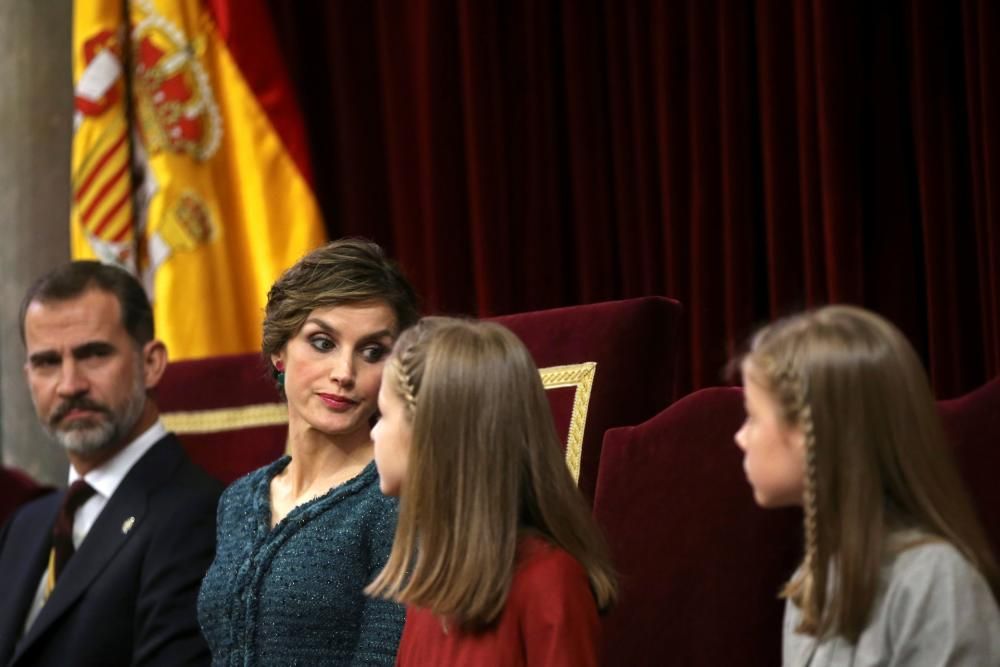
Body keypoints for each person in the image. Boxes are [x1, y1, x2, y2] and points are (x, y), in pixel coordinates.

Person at [734, 304, 1000, 665]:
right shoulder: (811, 582)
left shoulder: (935, 582)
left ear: (812, 435)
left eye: (752, 417)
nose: (740, 437)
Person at [197, 239, 418, 665]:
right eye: (322, 342)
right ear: (279, 350)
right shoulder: (239, 500)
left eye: (373, 352)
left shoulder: (397, 500)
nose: (344, 373)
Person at [0, 261, 222, 666]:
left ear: (151, 363)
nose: (69, 384)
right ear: (28, 374)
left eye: (94, 354)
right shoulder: (25, 524)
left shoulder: (201, 515)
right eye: (48, 362)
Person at [367, 317, 618, 666]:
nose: (374, 434)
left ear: (430, 435)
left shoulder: (550, 582)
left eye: (382, 415)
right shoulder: (431, 583)